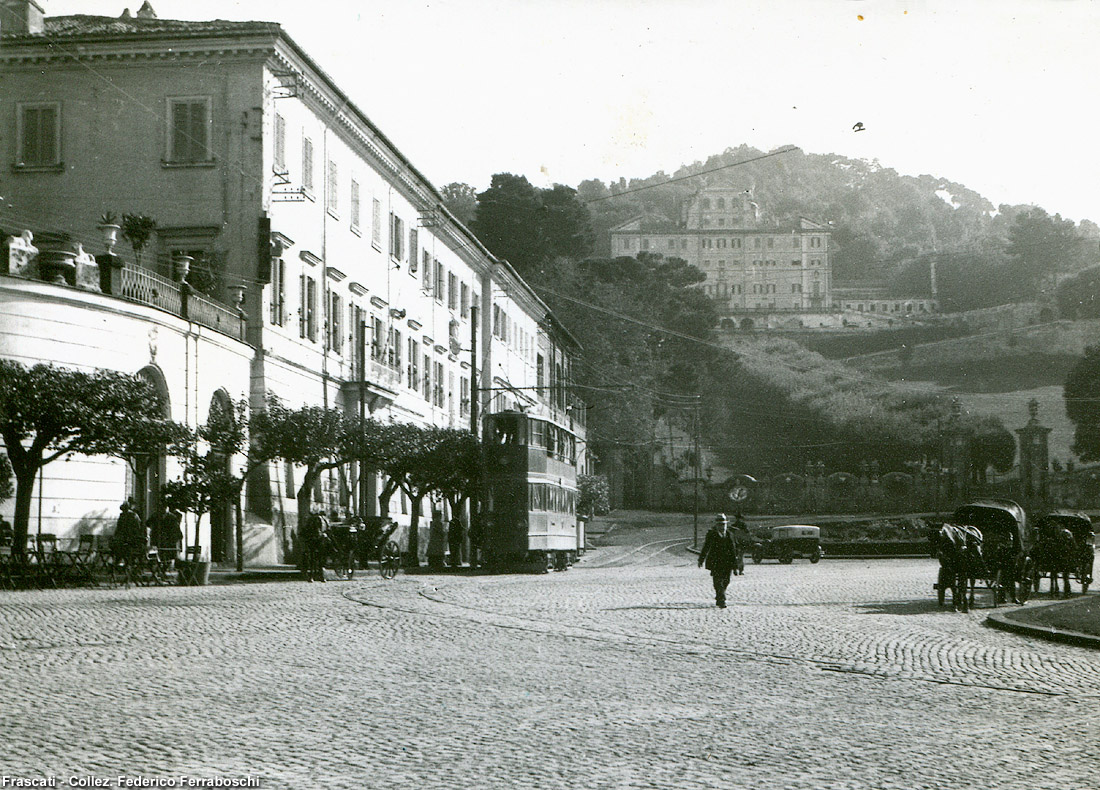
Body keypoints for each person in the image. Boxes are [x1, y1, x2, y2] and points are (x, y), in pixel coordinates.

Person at [698, 513, 738, 608]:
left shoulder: (730, 535)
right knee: (718, 581)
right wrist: (701, 559)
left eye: (724, 524)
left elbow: (734, 551)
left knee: (726, 581)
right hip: (716, 562)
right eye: (720, 524)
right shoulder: (712, 534)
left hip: (728, 563)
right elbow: (706, 547)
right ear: (716, 525)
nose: (722, 526)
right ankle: (721, 599)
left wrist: (736, 565)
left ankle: (720, 595)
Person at [113, 499, 146, 564]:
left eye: (125, 509)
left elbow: (137, 527)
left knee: (125, 548)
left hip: (132, 538)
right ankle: (119, 562)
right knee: (117, 547)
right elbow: (119, 527)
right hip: (124, 537)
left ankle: (125, 562)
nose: (124, 511)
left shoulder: (133, 515)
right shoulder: (122, 516)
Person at [299, 509, 328, 582]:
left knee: (315, 558)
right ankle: (317, 576)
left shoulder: (315, 520)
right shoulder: (320, 520)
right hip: (317, 540)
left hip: (317, 540)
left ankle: (315, 576)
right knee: (316, 558)